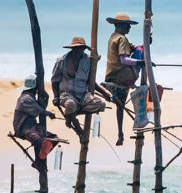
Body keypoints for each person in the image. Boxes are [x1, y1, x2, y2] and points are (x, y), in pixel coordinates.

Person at [51, 36, 108, 136]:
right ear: (72, 49)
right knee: (70, 105)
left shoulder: (88, 60)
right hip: (66, 94)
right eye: (76, 48)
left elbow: (92, 82)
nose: (79, 51)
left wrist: (105, 93)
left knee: (101, 104)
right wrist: (56, 97)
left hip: (83, 95)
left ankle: (71, 115)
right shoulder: (62, 61)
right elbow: (54, 81)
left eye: (81, 48)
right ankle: (74, 121)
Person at [104, 13, 142, 145]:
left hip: (112, 76)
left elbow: (135, 47)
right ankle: (121, 133)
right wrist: (140, 63)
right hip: (123, 76)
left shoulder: (113, 37)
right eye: (127, 26)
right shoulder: (122, 39)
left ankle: (120, 134)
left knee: (120, 106)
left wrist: (144, 43)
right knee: (141, 53)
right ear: (119, 25)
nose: (129, 28)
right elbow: (124, 59)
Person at [13, 74, 59, 169]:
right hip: (23, 128)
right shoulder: (26, 99)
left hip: (33, 127)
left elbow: (41, 107)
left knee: (54, 138)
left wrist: (46, 97)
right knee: (39, 141)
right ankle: (39, 162)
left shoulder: (30, 97)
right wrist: (49, 114)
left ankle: (39, 159)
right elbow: (40, 111)